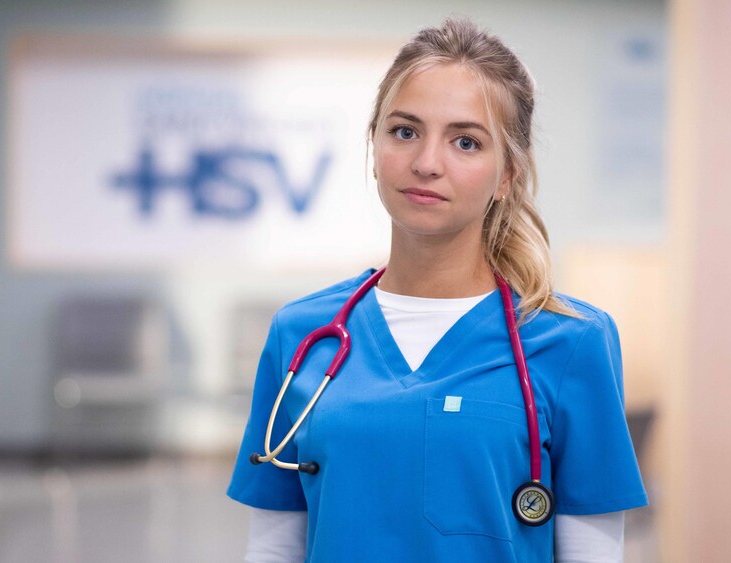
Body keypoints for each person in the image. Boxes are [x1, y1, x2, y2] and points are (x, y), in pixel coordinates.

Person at [227, 18, 647, 562]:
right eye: (404, 131)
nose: (426, 163)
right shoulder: (302, 335)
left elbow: (592, 554)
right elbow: (274, 548)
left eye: (466, 142)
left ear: (507, 176)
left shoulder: (570, 342)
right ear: (374, 146)